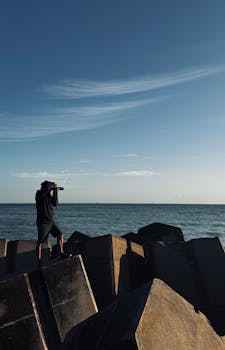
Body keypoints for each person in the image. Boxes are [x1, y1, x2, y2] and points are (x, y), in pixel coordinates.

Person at [35, 180, 69, 264]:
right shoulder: (39, 193)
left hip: (50, 222)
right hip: (43, 222)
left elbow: (55, 203)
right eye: (50, 187)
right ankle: (38, 260)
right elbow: (45, 190)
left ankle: (61, 253)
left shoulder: (48, 195)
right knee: (40, 241)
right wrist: (53, 187)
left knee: (60, 234)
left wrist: (55, 191)